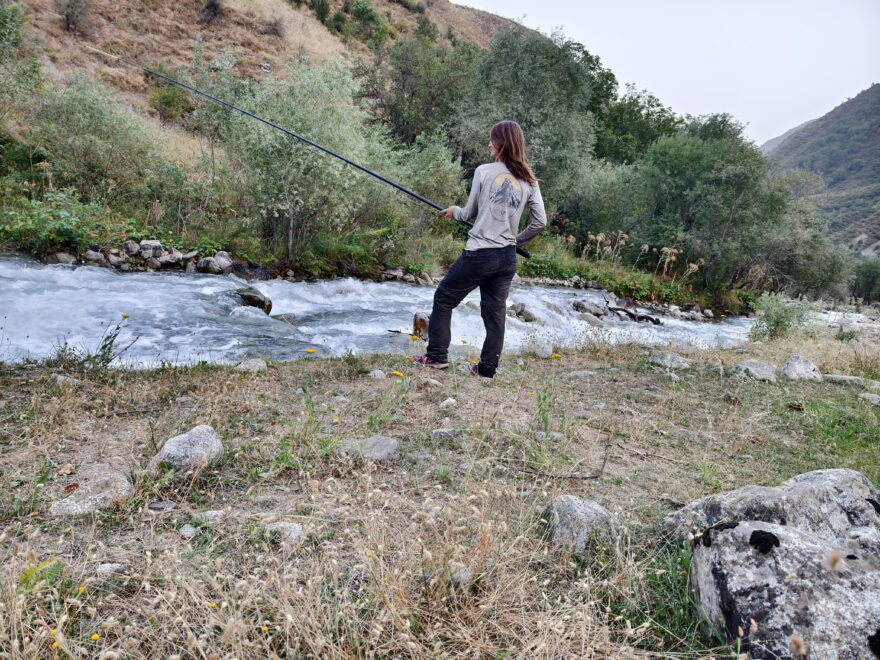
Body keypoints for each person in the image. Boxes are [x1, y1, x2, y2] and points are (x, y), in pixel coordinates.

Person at [414, 120, 546, 378]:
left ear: (502, 143)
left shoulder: (484, 171)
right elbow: (540, 222)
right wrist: (514, 241)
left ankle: (437, 357)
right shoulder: (529, 179)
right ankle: (486, 370)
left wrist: (454, 212)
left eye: (492, 140)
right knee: (495, 315)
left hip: (480, 254)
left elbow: (469, 213)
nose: (488, 144)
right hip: (507, 258)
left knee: (443, 298)